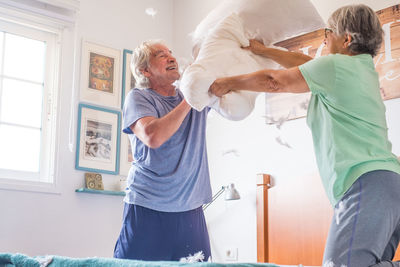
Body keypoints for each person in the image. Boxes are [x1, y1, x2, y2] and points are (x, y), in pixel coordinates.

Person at [209, 4, 400, 267]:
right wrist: (264, 51)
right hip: (389, 182)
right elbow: (307, 64)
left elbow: (274, 80)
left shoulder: (336, 67)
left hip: (365, 181)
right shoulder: (359, 69)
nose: (325, 38)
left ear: (346, 39)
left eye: (328, 32)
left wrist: (227, 82)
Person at [114, 40, 212, 261]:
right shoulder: (138, 97)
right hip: (147, 206)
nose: (171, 58)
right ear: (145, 70)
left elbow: (228, 88)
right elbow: (152, 136)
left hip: (190, 209)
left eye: (171, 52)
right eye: (161, 55)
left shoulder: (192, 95)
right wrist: (190, 98)